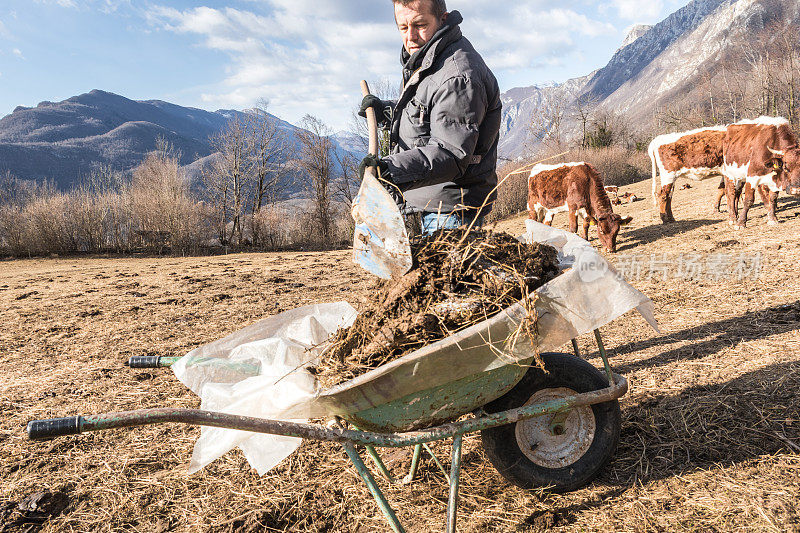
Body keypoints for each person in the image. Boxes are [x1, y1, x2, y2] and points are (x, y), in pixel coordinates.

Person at [359, 0, 502, 235]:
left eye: (420, 25)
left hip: (452, 212)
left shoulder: (457, 76)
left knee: (452, 273)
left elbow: (450, 153)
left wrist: (389, 170)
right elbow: (431, 113)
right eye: (403, 28)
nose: (411, 37)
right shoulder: (432, 59)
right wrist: (388, 112)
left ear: (442, 19)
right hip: (435, 201)